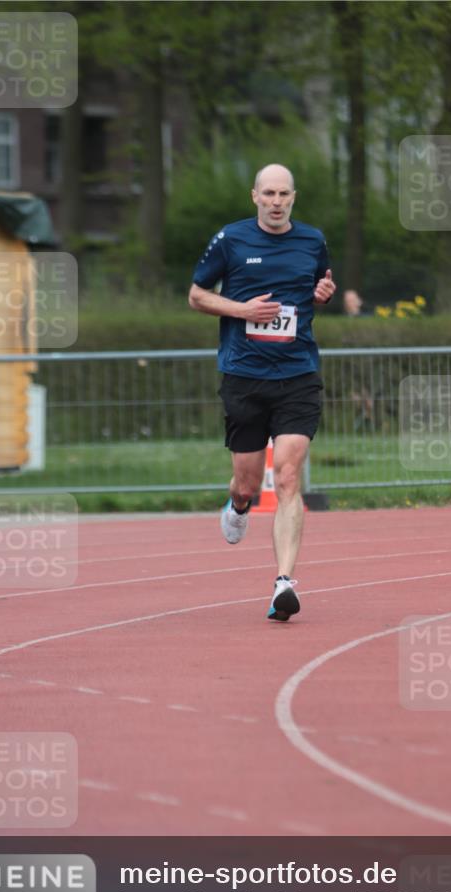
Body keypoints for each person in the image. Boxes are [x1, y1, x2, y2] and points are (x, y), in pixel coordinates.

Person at [188, 163, 336, 622]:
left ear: (294, 196)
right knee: (250, 483)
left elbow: (310, 291)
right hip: (244, 375)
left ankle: (284, 583)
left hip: (298, 374)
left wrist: (322, 293)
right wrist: (242, 309)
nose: (276, 201)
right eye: (268, 193)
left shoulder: (312, 240)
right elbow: (196, 295)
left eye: (284, 194)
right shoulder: (231, 239)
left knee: (289, 477)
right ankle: (237, 505)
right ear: (254, 196)